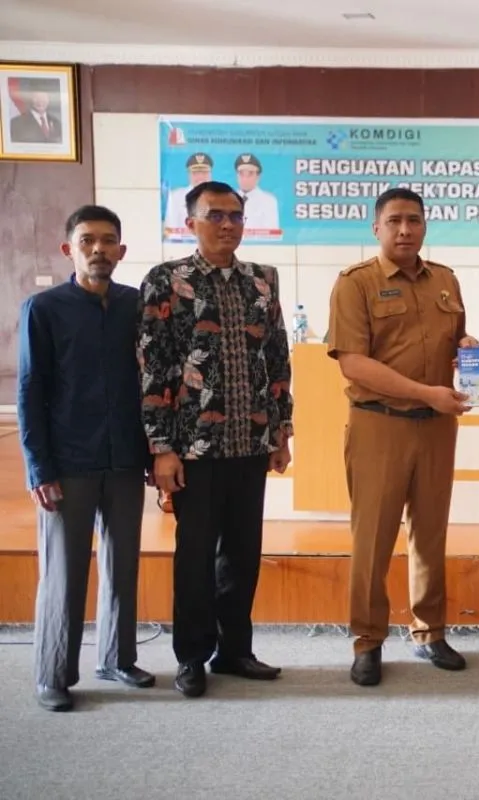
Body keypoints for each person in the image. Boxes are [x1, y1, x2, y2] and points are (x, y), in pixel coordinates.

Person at [139, 180, 294, 698]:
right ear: (191, 223)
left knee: (243, 555)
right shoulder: (167, 280)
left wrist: (281, 432)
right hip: (194, 448)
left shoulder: (262, 280)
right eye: (215, 215)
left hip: (250, 442)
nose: (227, 224)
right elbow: (154, 367)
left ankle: (234, 650)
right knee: (196, 556)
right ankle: (191, 656)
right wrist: (161, 448)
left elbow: (277, 359)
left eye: (235, 215)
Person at [327, 187, 479, 687]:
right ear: (376, 228)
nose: (405, 230)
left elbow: (454, 339)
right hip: (380, 424)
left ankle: (429, 630)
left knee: (430, 534)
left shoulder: (446, 280)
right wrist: (423, 392)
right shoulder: (356, 283)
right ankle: (368, 640)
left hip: (436, 428)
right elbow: (353, 362)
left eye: (414, 220)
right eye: (394, 221)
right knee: (372, 539)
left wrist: (468, 346)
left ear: (425, 226)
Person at [17, 205, 155, 712]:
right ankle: (53, 674)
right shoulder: (44, 308)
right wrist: (39, 467)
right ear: (68, 249)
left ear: (122, 249)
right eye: (87, 240)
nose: (99, 249)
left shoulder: (136, 305)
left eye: (108, 240)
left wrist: (152, 451)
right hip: (67, 461)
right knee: (64, 572)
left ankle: (117, 658)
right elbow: (30, 390)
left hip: (125, 457)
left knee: (123, 564)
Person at [164, 153, 214, 232]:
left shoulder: (222, 197)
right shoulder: (175, 197)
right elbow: (170, 230)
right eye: (195, 173)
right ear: (189, 174)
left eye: (204, 173)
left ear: (210, 174)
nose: (200, 177)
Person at [233, 153, 281, 232]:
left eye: (250, 174)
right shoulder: (228, 199)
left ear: (258, 177)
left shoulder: (268, 201)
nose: (245, 178)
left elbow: (271, 233)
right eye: (241, 173)